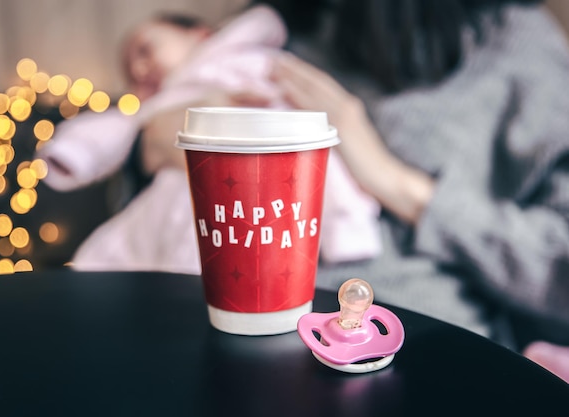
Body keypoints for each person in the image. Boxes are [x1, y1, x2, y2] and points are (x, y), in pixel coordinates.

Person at [132, 0, 569, 380]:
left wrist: (396, 183)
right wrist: (160, 137)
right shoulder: (276, 25)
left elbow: (558, 270)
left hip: (406, 339)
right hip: (216, 317)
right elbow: (154, 160)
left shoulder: (518, 46)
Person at [37, 4, 382, 274]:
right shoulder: (159, 104)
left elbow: (317, 139)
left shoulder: (247, 61)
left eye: (145, 50)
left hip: (262, 188)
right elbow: (111, 129)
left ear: (201, 35)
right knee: (125, 246)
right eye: (132, 75)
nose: (141, 70)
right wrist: (73, 154)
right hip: (178, 188)